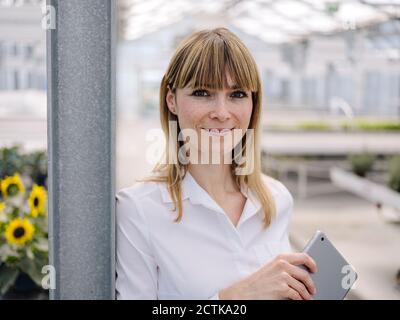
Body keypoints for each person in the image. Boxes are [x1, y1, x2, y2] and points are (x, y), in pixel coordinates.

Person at [115, 27, 317, 300]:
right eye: (202, 93)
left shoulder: (276, 199)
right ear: (171, 100)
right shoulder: (138, 210)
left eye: (237, 95)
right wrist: (234, 298)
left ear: (253, 103)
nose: (221, 113)